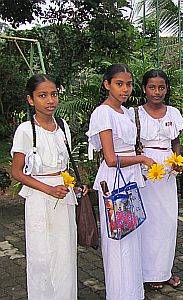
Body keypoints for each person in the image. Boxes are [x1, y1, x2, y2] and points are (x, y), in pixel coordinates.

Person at [11, 74, 85, 299]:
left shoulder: (63, 127)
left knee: (65, 254)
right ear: (31, 100)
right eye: (42, 95)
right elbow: (17, 172)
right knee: (41, 255)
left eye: (53, 94)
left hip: (64, 196)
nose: (50, 100)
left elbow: (66, 165)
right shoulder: (25, 130)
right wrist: (49, 189)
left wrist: (73, 184)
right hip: (39, 198)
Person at [86, 64, 155, 299]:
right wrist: (142, 158)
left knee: (132, 234)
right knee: (117, 238)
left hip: (131, 177)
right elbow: (109, 157)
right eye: (119, 84)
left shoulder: (126, 112)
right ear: (107, 85)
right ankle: (119, 293)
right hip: (114, 181)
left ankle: (133, 291)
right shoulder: (102, 113)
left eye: (128, 84)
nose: (125, 89)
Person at [135, 69, 183, 289]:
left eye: (161, 87)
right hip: (143, 168)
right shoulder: (134, 113)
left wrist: (178, 161)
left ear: (167, 89)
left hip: (166, 172)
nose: (157, 92)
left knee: (166, 221)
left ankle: (163, 270)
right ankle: (145, 272)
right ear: (144, 88)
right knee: (147, 221)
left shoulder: (173, 113)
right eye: (152, 87)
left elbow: (176, 143)